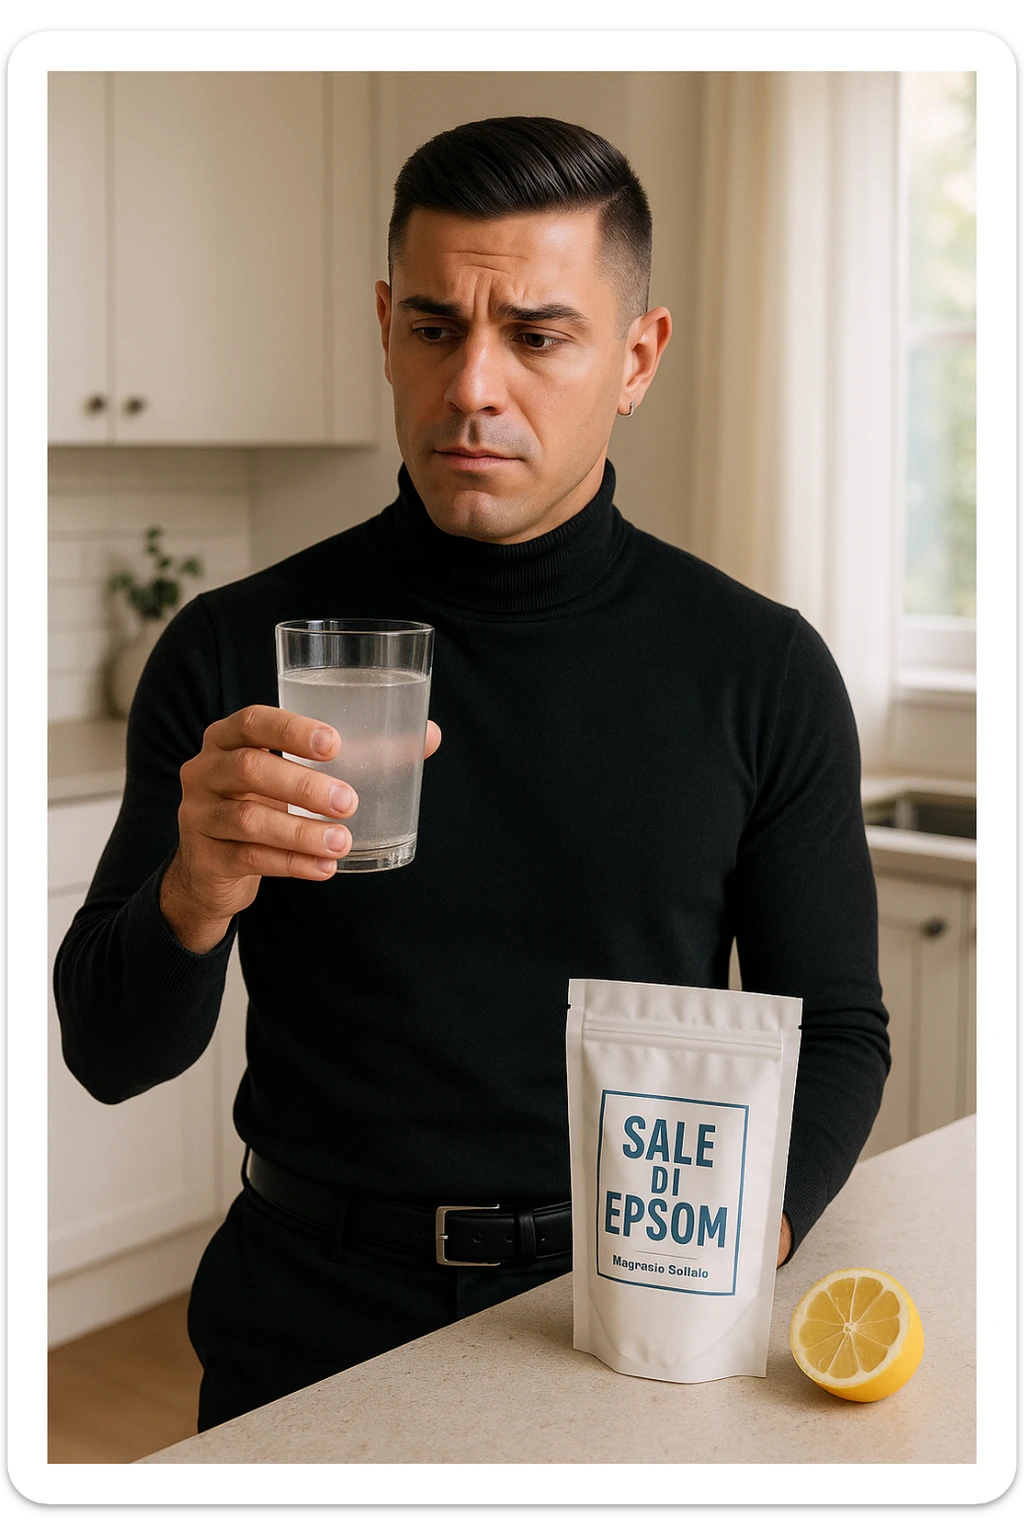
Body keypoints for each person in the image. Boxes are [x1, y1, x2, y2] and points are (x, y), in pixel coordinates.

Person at [54, 116, 890, 1431]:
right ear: (387, 327)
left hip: (614, 1321)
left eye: (539, 336)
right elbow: (109, 1054)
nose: (471, 389)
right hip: (301, 1323)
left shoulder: (759, 670)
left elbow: (837, 1028)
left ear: (638, 356)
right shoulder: (234, 650)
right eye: (436, 329)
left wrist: (733, 1249)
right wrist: (191, 895)